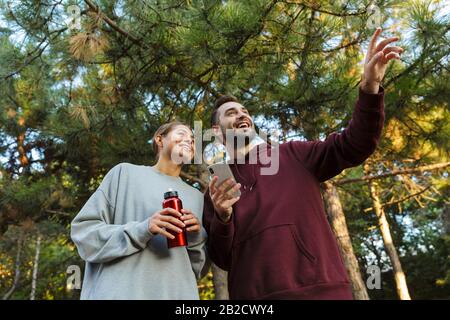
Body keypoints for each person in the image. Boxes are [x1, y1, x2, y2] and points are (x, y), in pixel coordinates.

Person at [203, 28, 404, 299]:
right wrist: (223, 218)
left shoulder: (295, 155)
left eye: (245, 111)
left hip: (323, 292)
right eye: (231, 113)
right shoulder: (217, 188)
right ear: (217, 132)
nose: (242, 116)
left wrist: (369, 88)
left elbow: (355, 145)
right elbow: (222, 259)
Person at [71, 121, 208, 299]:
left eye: (192, 139)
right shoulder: (124, 174)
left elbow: (198, 269)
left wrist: (196, 236)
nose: (189, 141)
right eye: (181, 134)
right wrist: (143, 229)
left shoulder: (197, 197)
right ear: (159, 139)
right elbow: (84, 234)